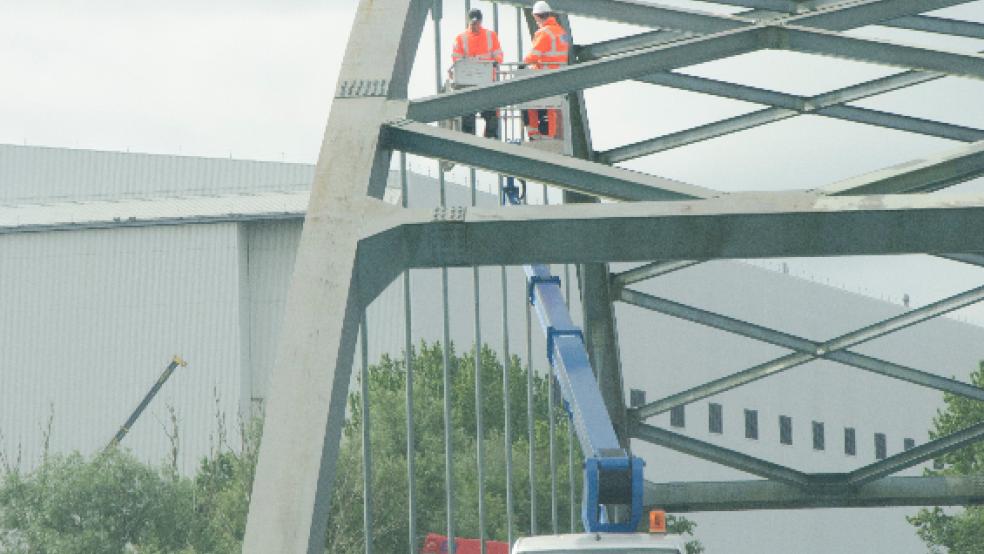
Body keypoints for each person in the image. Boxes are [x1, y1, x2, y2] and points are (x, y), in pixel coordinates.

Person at [451, 8, 504, 139]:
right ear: (469, 22)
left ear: (481, 21)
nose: (475, 25)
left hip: (487, 82)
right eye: (472, 23)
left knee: (491, 114)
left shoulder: (490, 35)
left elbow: (499, 56)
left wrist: (494, 62)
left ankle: (490, 141)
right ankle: (470, 142)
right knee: (468, 116)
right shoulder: (461, 38)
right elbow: (456, 59)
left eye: (477, 22)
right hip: (468, 83)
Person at [523, 1, 570, 140]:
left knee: (526, 101)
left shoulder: (544, 33)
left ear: (537, 17)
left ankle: (534, 135)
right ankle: (548, 136)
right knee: (550, 108)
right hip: (559, 77)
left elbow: (532, 57)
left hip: (544, 76)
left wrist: (524, 63)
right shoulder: (562, 32)